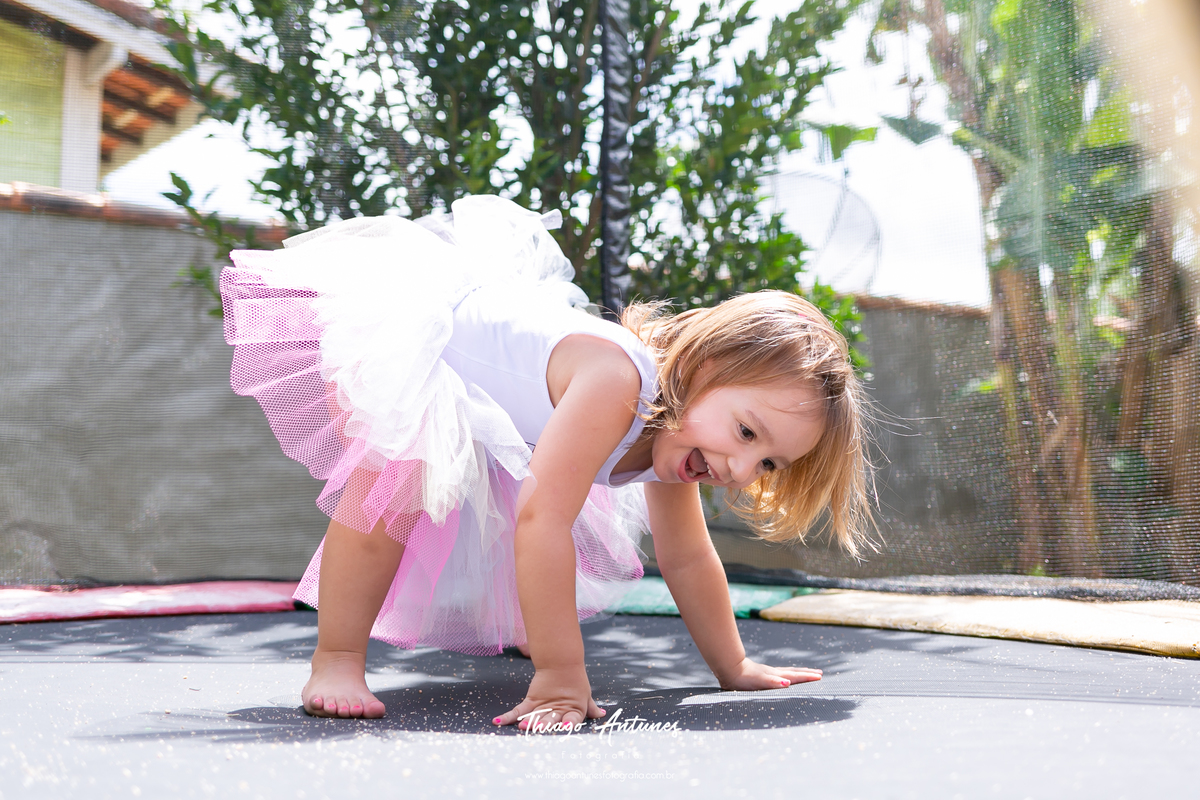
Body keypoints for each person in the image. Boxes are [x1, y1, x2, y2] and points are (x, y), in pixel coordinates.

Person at [220, 195, 872, 730]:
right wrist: (562, 676)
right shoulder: (619, 381)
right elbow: (541, 521)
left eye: (768, 465)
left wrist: (734, 667)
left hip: (505, 407)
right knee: (394, 489)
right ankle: (336, 656)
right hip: (426, 345)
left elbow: (686, 557)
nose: (739, 467)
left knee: (528, 504)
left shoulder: (679, 443)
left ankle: (533, 632)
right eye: (747, 431)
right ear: (703, 369)